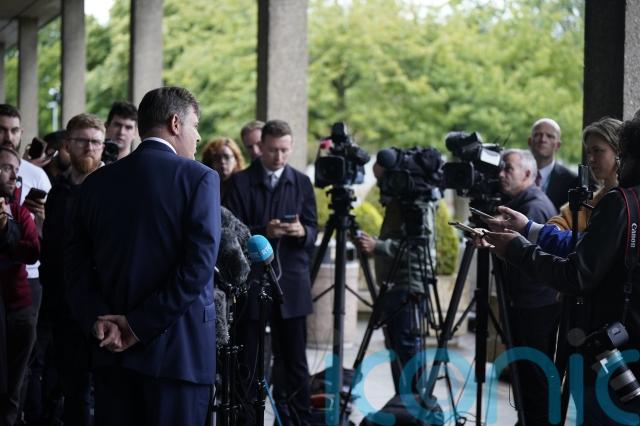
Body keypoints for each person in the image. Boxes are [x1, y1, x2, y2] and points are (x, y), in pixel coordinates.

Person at [65, 87, 220, 426]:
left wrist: (99, 320)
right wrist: (138, 325)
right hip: (179, 357)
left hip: (110, 353)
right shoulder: (199, 179)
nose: (197, 137)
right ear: (175, 123)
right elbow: (197, 267)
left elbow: (75, 266)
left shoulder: (96, 183)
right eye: (195, 126)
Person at [483, 117, 640, 425]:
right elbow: (588, 246)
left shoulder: (621, 203)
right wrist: (530, 229)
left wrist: (516, 250)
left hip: (614, 354)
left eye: (603, 151)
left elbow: (576, 274)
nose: (591, 159)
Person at [224, 119, 317, 424]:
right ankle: (246, 421)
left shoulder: (302, 182)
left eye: (285, 150)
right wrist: (265, 231)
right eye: (273, 150)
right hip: (251, 283)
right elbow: (229, 233)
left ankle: (296, 420)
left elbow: (313, 232)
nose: (279, 156)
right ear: (261, 147)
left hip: (292, 282)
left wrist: (302, 231)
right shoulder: (239, 182)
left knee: (295, 361)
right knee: (248, 360)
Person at [35, 114, 106, 426]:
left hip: (102, 303)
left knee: (106, 390)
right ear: (67, 145)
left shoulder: (113, 187)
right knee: (73, 388)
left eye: (95, 142)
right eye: (82, 141)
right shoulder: (58, 191)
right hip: (63, 304)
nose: (89, 148)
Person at [355, 160, 437, 395]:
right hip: (394, 284)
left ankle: (413, 405)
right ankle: (403, 403)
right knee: (397, 349)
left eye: (382, 179)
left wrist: (378, 246)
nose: (380, 185)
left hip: (409, 285)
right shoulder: (399, 201)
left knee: (407, 348)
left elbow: (420, 250)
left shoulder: (417, 203)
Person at [496, 148, 559, 425]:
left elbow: (533, 262)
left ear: (528, 174)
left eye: (508, 168)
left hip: (535, 305)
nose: (501, 174)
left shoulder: (533, 207)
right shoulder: (522, 203)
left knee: (534, 374)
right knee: (527, 373)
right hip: (530, 302)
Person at [0, 146, 40, 426]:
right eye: (5, 168)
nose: (13, 175)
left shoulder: (19, 211)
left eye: (16, 169)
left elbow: (32, 252)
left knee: (15, 383)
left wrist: (6, 229)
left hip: (19, 305)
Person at [547, 117, 622, 232]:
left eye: (597, 150)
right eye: (588, 152)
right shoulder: (590, 202)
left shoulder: (633, 199)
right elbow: (557, 224)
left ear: (619, 151)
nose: (590, 159)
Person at [528, 118, 579, 211]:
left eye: (550, 136)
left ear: (558, 145)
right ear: (530, 141)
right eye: (538, 135)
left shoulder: (573, 181)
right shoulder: (513, 174)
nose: (543, 139)